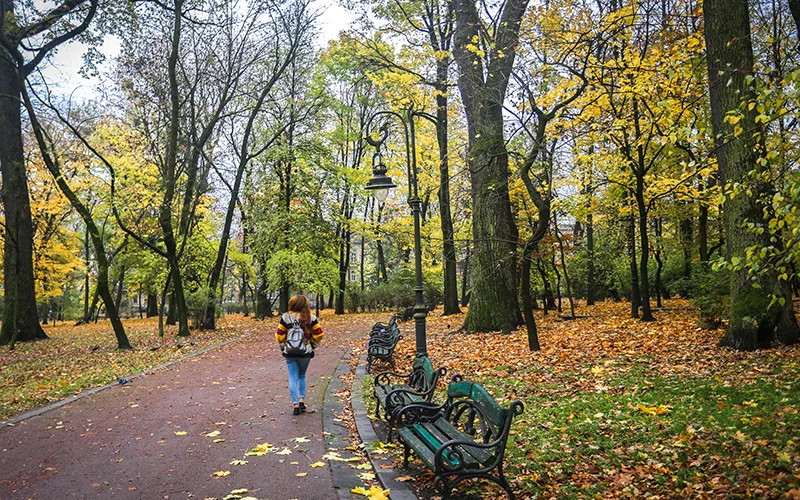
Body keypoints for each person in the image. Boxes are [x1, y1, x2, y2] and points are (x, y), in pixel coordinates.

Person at [276, 295, 324, 415]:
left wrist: (283, 347)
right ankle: (302, 400)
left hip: (290, 352)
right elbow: (319, 334)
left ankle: (295, 405)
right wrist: (312, 345)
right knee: (302, 375)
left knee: (293, 377)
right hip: (305, 352)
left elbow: (279, 335)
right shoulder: (310, 317)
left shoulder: (285, 317)